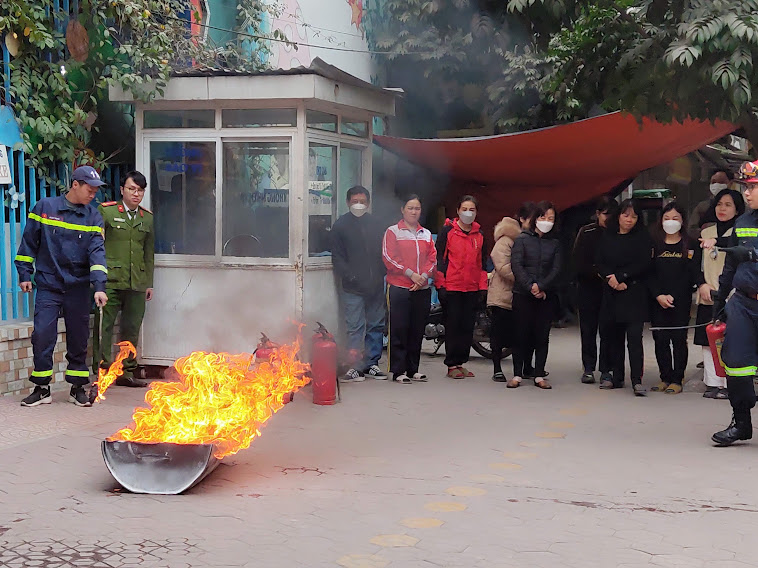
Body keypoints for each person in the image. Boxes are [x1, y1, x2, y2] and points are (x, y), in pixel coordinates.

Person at [14, 166, 108, 407]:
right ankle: (42, 388)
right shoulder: (45, 208)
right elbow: (29, 243)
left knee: (78, 338)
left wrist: (99, 286)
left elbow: (97, 253)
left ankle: (77, 388)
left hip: (78, 287)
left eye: (96, 190)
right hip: (49, 285)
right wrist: (25, 274)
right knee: (42, 335)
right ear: (75, 184)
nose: (93, 194)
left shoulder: (93, 217)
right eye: (90, 189)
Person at [711, 160, 758, 446]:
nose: (747, 193)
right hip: (743, 302)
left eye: (752, 187)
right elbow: (730, 265)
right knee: (736, 363)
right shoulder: (742, 222)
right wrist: (720, 300)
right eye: (745, 188)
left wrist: (754, 256)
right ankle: (741, 423)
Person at [92, 171, 155, 388]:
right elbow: (96, 245)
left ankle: (127, 371)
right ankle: (102, 371)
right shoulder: (107, 211)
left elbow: (148, 253)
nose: (136, 194)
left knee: (131, 328)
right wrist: (97, 278)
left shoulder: (147, 217)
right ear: (122, 190)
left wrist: (149, 283)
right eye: (132, 189)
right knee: (104, 327)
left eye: (140, 190)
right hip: (110, 280)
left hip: (136, 281)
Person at [647, 202, 706, 394]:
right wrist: (658, 295)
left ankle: (677, 379)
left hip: (680, 299)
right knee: (660, 339)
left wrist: (675, 295)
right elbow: (649, 272)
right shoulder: (654, 243)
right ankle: (665, 377)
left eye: (675, 218)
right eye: (666, 218)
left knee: (679, 339)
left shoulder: (690, 244)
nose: (670, 222)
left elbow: (692, 273)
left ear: (682, 221)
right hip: (657, 300)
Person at [331, 185, 388, 382]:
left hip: (375, 286)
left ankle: (371, 363)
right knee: (354, 328)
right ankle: (354, 367)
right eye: (355, 201)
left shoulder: (376, 224)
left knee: (376, 326)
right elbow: (337, 258)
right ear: (348, 202)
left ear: (368, 203)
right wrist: (350, 277)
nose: (359, 205)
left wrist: (381, 273)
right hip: (352, 287)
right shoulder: (340, 226)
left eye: (362, 201)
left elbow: (384, 252)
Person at [596, 199, 652, 396]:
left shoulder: (642, 237)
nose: (629, 220)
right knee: (614, 337)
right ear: (618, 216)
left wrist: (622, 277)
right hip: (612, 291)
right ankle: (616, 376)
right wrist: (610, 278)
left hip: (634, 292)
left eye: (634, 216)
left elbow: (644, 263)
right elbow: (600, 261)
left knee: (634, 338)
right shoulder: (607, 236)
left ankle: (637, 379)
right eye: (626, 215)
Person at [695, 188, 745, 399]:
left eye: (728, 205)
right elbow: (695, 265)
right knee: (708, 339)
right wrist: (701, 284)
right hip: (708, 294)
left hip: (733, 294)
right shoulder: (706, 232)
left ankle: (728, 384)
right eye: (719, 204)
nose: (722, 209)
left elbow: (736, 251)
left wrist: (717, 242)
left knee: (730, 340)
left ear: (737, 209)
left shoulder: (741, 231)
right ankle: (712, 383)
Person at [382, 195, 436, 384]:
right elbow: (389, 257)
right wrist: (411, 274)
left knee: (416, 329)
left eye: (417, 208)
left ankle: (413, 369)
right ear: (403, 210)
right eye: (410, 208)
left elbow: (433, 258)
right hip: (399, 287)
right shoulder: (393, 231)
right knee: (399, 329)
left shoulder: (426, 234)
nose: (414, 212)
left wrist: (423, 277)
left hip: (422, 288)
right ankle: (398, 370)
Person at [435, 195, 489, 379]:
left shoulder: (480, 235)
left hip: (471, 288)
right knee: (453, 327)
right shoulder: (448, 232)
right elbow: (440, 260)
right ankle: (451, 365)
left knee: (467, 327)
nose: (468, 213)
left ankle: (460, 362)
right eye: (464, 209)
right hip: (452, 287)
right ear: (458, 211)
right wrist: (440, 285)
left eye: (472, 210)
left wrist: (482, 287)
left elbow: (482, 263)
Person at [510, 201, 562, 389]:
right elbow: (517, 265)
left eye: (551, 218)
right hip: (522, 294)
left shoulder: (555, 243)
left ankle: (539, 373)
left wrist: (541, 286)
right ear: (535, 218)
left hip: (545, 296)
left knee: (541, 335)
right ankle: (517, 374)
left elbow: (556, 269)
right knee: (520, 334)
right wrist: (530, 286)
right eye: (543, 217)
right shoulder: (522, 240)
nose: (546, 221)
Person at [572, 196, 619, 384]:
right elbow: (577, 262)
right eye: (606, 214)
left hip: (612, 289)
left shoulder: (618, 233)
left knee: (608, 330)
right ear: (598, 214)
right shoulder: (587, 232)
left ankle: (606, 368)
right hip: (588, 287)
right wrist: (599, 273)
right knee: (588, 329)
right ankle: (588, 367)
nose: (609, 219)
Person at [487, 216, 522, 382]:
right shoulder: (505, 240)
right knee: (498, 333)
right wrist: (523, 278)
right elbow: (502, 266)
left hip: (516, 294)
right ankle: (497, 368)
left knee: (517, 333)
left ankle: (521, 369)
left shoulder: (521, 240)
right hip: (501, 294)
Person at [688, 169, 733, 239]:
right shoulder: (702, 207)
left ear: (730, 183)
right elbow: (691, 229)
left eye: (721, 182)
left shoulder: (740, 206)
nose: (717, 185)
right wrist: (706, 231)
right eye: (713, 182)